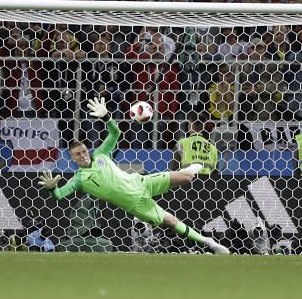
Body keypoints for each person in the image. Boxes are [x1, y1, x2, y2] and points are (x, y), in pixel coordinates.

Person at [38, 98, 230, 254]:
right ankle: (210, 243)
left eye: (83, 151)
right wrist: (51, 188)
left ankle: (191, 168)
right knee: (171, 221)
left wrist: (106, 116)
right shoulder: (79, 179)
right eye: (77, 155)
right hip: (136, 204)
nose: (82, 155)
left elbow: (115, 132)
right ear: (72, 159)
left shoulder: (101, 155)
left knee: (187, 178)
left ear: (87, 150)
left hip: (141, 182)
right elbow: (59, 195)